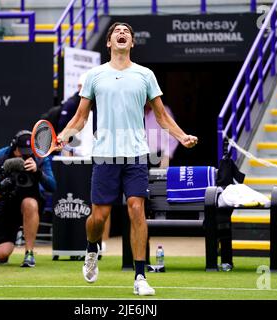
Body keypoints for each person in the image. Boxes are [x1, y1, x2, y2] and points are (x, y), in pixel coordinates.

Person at [56, 22, 198, 296]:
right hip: (105, 155)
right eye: (116, 32)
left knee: (136, 210)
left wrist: (181, 137)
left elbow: (161, 116)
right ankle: (91, 248)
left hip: (135, 154)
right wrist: (64, 136)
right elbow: (81, 116)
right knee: (99, 217)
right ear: (109, 42)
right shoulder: (95, 76)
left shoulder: (145, 75)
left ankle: (140, 276)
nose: (121, 34)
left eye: (127, 33)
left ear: (131, 42)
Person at [0, 130, 56, 268]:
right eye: (22, 152)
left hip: (29, 203)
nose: (25, 155)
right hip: (7, 204)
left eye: (29, 151)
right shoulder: (0, 156)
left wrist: (38, 172)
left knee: (30, 203)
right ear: (13, 147)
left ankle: (29, 253)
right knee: (1, 254)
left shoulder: (40, 157)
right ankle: (3, 248)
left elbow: (52, 186)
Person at [145, 103, 179, 168]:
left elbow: (173, 137)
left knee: (157, 177)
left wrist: (166, 157)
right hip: (140, 158)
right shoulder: (137, 112)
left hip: (159, 156)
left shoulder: (163, 110)